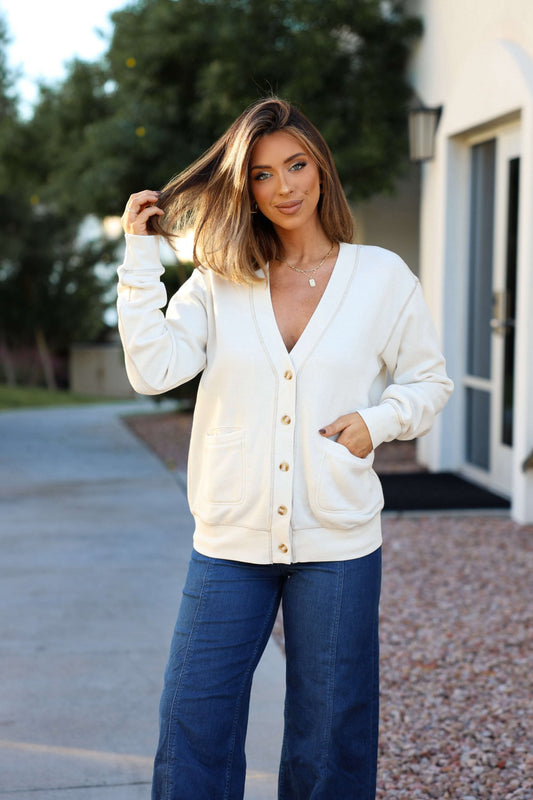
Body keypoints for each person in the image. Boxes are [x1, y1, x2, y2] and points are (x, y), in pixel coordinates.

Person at [117, 96, 453, 800]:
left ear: (321, 170)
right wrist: (140, 259)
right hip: (229, 540)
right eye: (263, 175)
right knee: (192, 720)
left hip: (336, 542)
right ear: (247, 189)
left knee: (330, 732)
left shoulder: (381, 276)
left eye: (296, 165)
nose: (285, 186)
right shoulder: (220, 281)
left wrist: (379, 420)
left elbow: (428, 381)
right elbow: (153, 370)